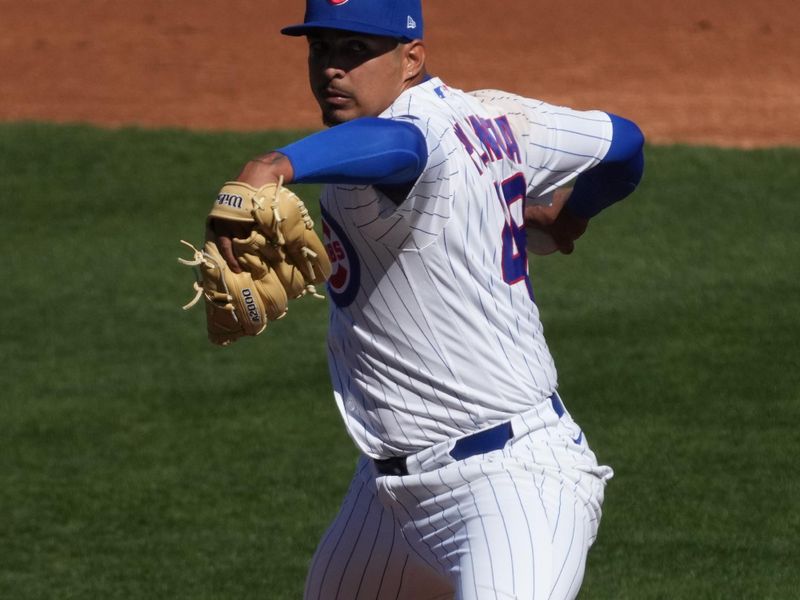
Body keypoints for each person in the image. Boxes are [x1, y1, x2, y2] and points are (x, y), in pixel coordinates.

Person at [210, 1, 645, 598]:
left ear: (412, 58)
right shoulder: (496, 117)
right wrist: (571, 212)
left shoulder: (416, 134)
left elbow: (400, 149)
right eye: (322, 49)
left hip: (512, 486)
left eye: (356, 51)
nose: (333, 69)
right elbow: (624, 143)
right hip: (384, 500)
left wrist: (278, 163)